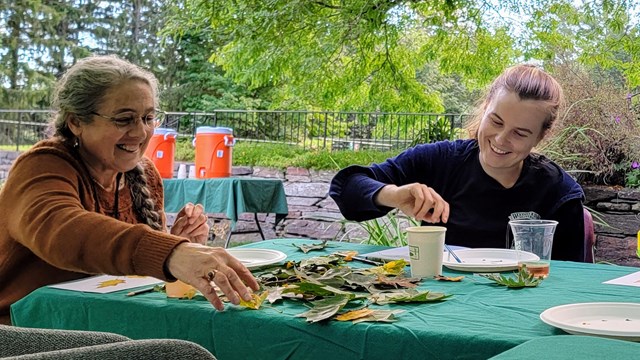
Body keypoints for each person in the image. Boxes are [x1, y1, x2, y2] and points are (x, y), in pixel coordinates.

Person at [0, 55, 259, 325]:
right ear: (76, 122)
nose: (140, 132)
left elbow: (131, 268)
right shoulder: (42, 166)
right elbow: (63, 231)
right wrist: (170, 252)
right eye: (124, 119)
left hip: (103, 323)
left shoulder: (144, 174)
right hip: (21, 331)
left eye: (148, 117)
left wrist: (182, 243)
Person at [330, 64, 586, 262]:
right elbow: (347, 187)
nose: (500, 139)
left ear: (541, 136)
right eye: (495, 121)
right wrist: (394, 195)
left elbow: (570, 277)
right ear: (484, 109)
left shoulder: (560, 192)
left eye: (520, 133)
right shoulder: (439, 161)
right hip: (439, 302)